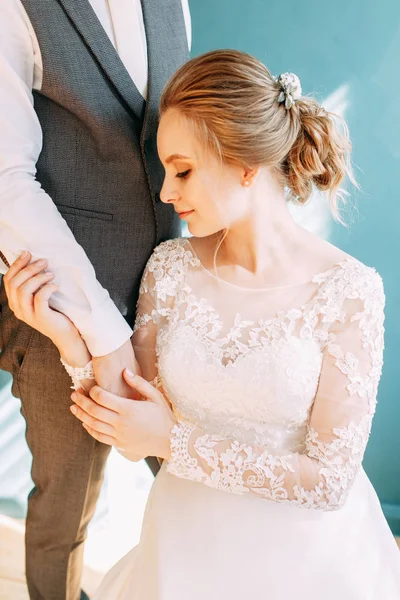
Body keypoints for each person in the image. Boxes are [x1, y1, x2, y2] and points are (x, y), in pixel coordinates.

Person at [4, 50, 400, 599]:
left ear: (246, 163)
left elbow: (328, 481)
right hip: (181, 552)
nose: (166, 192)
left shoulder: (349, 292)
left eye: (183, 170)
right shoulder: (170, 268)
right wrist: (63, 334)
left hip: (307, 565)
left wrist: (175, 440)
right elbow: (131, 423)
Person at [0, 1, 190, 598]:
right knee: (67, 508)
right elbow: (5, 176)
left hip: (177, 303)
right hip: (62, 313)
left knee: (194, 480)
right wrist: (103, 338)